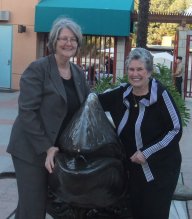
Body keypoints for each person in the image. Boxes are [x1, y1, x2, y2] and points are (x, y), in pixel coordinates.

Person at [7, 17, 89, 219]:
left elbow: (88, 106)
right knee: (33, 207)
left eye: (73, 39)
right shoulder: (38, 69)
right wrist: (46, 147)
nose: (68, 43)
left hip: (58, 150)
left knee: (52, 203)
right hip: (31, 149)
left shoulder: (78, 73)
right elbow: (27, 112)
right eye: (64, 38)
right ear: (54, 41)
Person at [98, 47, 182, 219]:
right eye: (131, 69)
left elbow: (175, 129)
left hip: (161, 170)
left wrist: (147, 152)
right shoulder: (121, 94)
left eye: (140, 69)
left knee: (153, 213)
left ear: (149, 71)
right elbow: (92, 101)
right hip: (134, 171)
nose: (135, 74)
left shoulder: (160, 95)